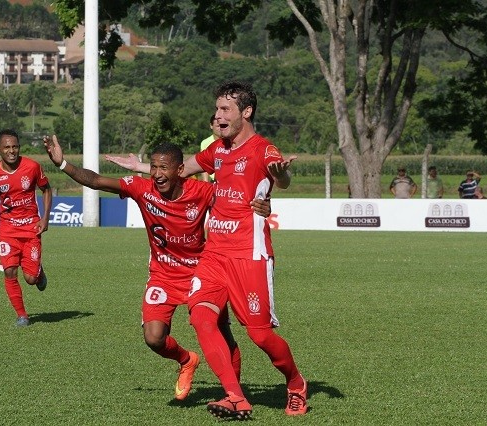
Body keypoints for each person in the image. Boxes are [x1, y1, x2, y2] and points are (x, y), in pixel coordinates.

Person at [108, 80, 307, 419]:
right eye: (217, 109)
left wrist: (281, 178)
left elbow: (280, 177)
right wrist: (141, 167)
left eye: (225, 109)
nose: (217, 115)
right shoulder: (217, 150)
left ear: (246, 112)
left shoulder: (263, 149)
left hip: (249, 254)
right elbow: (181, 169)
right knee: (201, 318)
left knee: (259, 336)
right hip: (214, 254)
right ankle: (235, 397)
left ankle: (295, 383)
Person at [44, 135, 272, 401]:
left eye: (163, 168)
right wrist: (62, 164)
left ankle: (233, 395)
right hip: (163, 275)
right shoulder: (142, 189)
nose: (157, 174)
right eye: (153, 167)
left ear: (179, 170)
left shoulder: (202, 192)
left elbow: (238, 205)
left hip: (202, 273)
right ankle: (187, 360)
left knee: (222, 335)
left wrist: (264, 207)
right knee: (153, 338)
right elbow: (95, 180)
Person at [0, 129, 52, 327]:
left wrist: (45, 218)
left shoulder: (32, 167)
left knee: (30, 278)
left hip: (31, 228)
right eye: (7, 147)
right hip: (7, 231)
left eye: (15, 147)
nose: (11, 151)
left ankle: (38, 273)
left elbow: (46, 190)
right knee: (10, 271)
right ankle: (22, 315)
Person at [199, 114, 220, 182]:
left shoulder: (230, 141)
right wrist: (205, 182)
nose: (220, 128)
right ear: (211, 126)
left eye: (222, 126)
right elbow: (203, 164)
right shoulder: (205, 143)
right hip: (212, 180)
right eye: (217, 126)